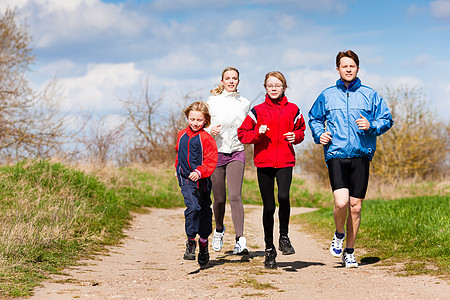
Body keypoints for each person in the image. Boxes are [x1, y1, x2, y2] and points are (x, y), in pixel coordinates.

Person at [308, 50, 393, 268]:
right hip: (336, 154)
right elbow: (314, 118)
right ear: (337, 69)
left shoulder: (370, 94)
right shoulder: (327, 95)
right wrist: (320, 134)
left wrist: (372, 125)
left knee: (355, 207)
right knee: (341, 202)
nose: (348, 69)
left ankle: (350, 250)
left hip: (361, 154)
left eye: (351, 66)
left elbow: (386, 119)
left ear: (357, 68)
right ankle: (339, 233)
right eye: (344, 66)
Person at [238, 71, 306, 269]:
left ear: (284, 87)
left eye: (278, 85)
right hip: (264, 162)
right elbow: (243, 134)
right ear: (265, 87)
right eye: (270, 85)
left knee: (284, 197)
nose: (274, 88)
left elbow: (301, 130)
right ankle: (269, 249)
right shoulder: (257, 111)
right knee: (269, 207)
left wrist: (296, 136)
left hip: (285, 161)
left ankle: (284, 237)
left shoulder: (293, 109)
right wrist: (257, 134)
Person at [207, 67, 251, 255]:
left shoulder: (245, 103)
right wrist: (210, 131)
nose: (231, 81)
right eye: (228, 78)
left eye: (234, 78)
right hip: (216, 154)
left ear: (238, 81)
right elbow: (203, 124)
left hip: (236, 152)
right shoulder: (212, 102)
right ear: (222, 81)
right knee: (218, 199)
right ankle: (218, 230)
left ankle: (240, 240)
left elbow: (249, 127)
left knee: (235, 196)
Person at [175, 101, 218, 266]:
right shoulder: (181, 135)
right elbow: (179, 154)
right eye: (192, 119)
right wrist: (177, 169)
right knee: (193, 207)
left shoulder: (207, 139)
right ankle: (191, 241)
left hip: (203, 182)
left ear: (205, 121)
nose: (195, 123)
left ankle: (204, 243)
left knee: (205, 213)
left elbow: (212, 160)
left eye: (199, 120)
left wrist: (200, 172)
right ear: (187, 118)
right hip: (186, 180)